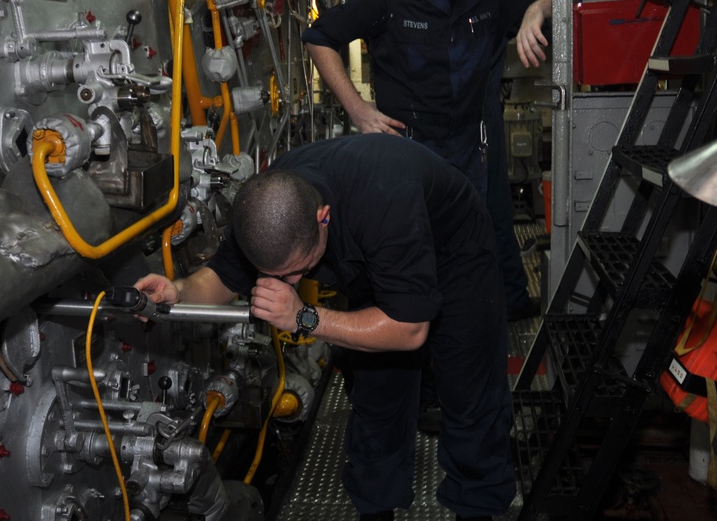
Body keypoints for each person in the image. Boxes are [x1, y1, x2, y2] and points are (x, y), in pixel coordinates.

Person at [135, 134, 514, 521]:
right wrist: (177, 292)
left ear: (323, 217)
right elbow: (223, 277)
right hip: (374, 265)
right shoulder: (267, 209)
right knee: (376, 397)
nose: (292, 282)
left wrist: (305, 318)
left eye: (300, 268)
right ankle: (376, 511)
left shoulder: (384, 201)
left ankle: (476, 510)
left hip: (455, 255)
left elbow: (410, 328)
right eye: (277, 275)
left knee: (471, 392)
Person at [302, 0, 596, 322]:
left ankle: (506, 316)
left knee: (492, 233)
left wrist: (537, 9)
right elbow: (318, 37)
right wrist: (358, 109)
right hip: (412, 151)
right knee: (417, 250)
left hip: (478, 143)